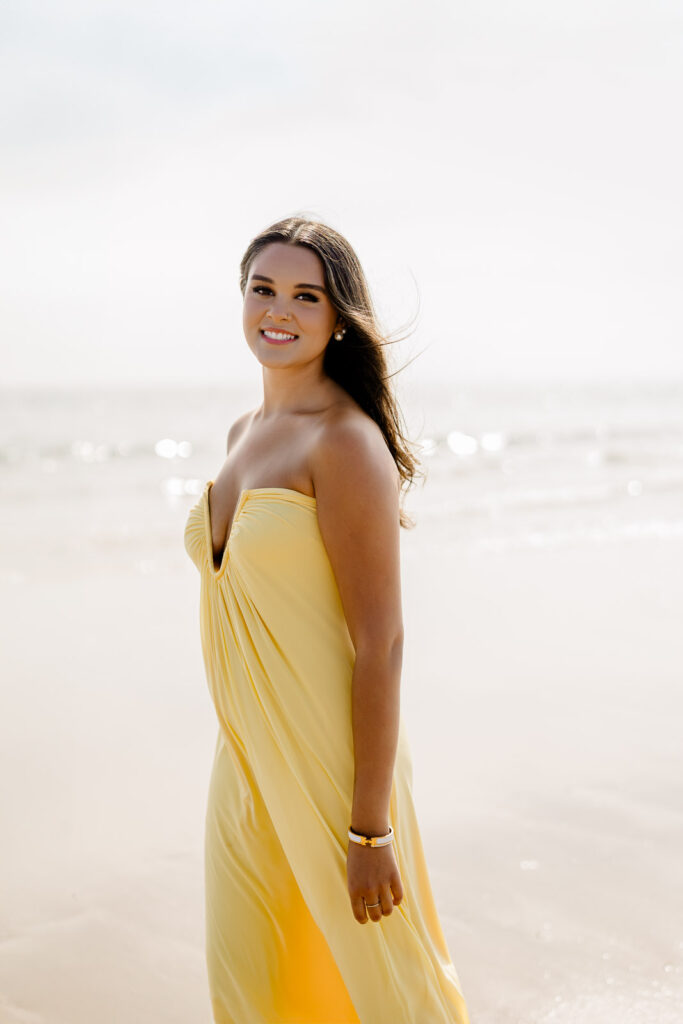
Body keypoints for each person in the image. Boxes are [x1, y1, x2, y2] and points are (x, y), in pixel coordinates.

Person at [184, 215, 470, 1023]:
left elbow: (380, 642)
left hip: (333, 760)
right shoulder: (244, 434)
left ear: (337, 316)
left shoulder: (345, 443)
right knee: (251, 983)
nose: (278, 309)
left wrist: (369, 830)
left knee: (387, 990)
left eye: (305, 295)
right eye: (262, 289)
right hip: (241, 755)